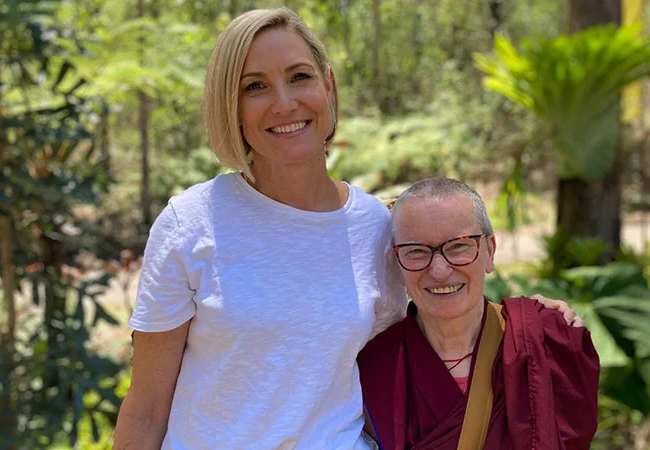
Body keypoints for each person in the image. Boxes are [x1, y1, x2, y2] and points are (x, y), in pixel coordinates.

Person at [112, 8, 582, 450]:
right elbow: (147, 408)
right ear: (230, 107)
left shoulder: (377, 226)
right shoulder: (190, 222)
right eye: (254, 86)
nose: (284, 102)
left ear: (329, 86)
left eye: (300, 77)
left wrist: (533, 321)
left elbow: (439, 313)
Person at [357, 178, 600, 450]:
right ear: (397, 264)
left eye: (459, 246)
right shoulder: (375, 367)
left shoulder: (548, 341)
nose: (439, 270)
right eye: (416, 251)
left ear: (490, 251)